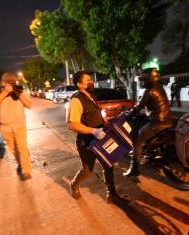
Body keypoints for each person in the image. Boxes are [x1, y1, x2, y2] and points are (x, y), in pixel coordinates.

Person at [67, 71, 127, 204]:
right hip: (86, 142)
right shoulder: (76, 100)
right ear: (80, 84)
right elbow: (72, 124)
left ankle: (112, 195)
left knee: (108, 164)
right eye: (88, 80)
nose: (91, 82)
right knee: (88, 170)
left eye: (91, 79)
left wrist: (106, 120)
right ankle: (74, 183)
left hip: (100, 139)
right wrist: (93, 131)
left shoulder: (91, 96)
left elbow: (94, 116)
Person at [123, 68, 173, 176]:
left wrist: (129, 113)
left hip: (158, 123)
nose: (142, 82)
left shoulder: (149, 91)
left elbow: (138, 107)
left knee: (138, 142)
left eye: (144, 80)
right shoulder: (159, 88)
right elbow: (154, 106)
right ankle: (149, 152)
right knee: (143, 128)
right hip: (167, 120)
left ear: (149, 79)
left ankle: (134, 168)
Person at [0, 72, 32, 181]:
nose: (10, 85)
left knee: (22, 148)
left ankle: (26, 171)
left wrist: (18, 93)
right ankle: (21, 164)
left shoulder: (20, 90)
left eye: (12, 82)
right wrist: (5, 92)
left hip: (20, 125)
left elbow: (29, 105)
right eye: (7, 83)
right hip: (5, 127)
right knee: (13, 149)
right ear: (3, 82)